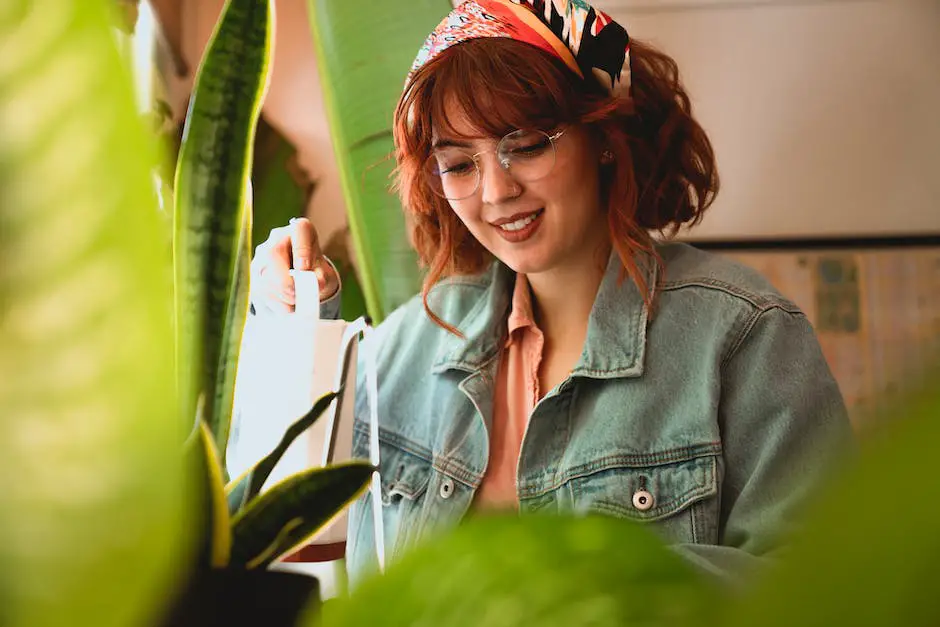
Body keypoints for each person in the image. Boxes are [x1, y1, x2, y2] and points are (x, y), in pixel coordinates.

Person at [248, 0, 852, 587]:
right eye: (459, 164)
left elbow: (824, 587)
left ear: (604, 137)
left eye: (528, 145)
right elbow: (281, 523)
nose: (496, 191)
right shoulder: (409, 345)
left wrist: (572, 582)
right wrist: (296, 323)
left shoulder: (744, 335)